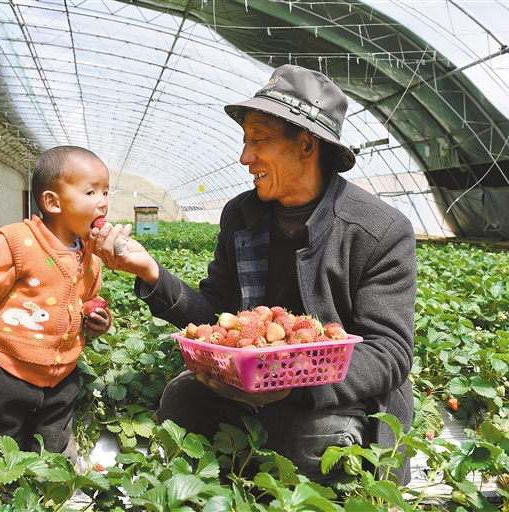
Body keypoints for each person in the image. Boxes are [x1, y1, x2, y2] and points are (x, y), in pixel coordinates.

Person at [90, 65, 417, 484]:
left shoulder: (378, 230)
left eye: (259, 140)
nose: (246, 158)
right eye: (245, 142)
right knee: (181, 400)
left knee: (293, 433)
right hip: (248, 386)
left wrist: (293, 382)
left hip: (337, 400)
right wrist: (150, 272)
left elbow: (389, 352)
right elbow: (216, 316)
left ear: (306, 145)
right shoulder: (242, 215)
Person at [0, 146, 112, 462]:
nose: (103, 201)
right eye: (91, 191)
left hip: (62, 376)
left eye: (106, 191)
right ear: (52, 202)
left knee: (53, 448)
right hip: (3, 372)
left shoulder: (91, 256)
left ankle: (49, 490)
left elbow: (88, 301)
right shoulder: (15, 242)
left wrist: (99, 320)